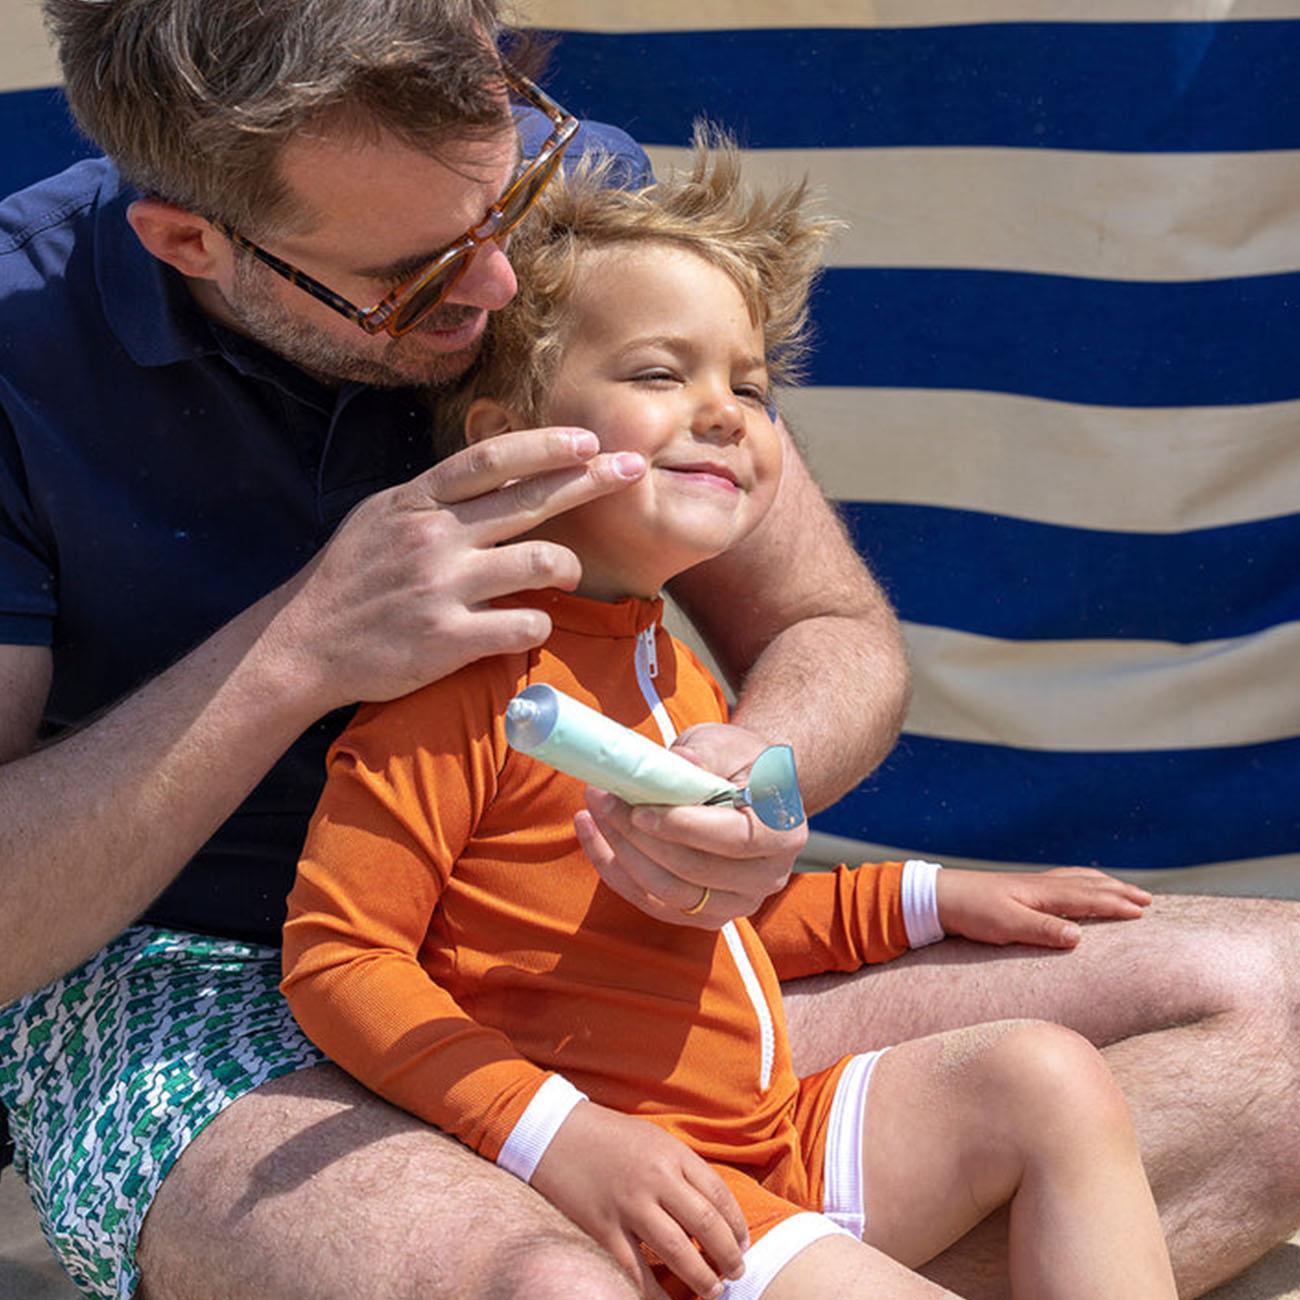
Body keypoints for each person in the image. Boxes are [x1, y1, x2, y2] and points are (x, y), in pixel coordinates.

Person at [0, 2, 1292, 1298]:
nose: (505, 279)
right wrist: (295, 652)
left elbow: (825, 633)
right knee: (545, 1280)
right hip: (192, 981)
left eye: (502, 204)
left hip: (584, 942)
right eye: (424, 278)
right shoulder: (15, 343)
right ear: (188, 239)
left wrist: (750, 779)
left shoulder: (566, 199)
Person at [280, 141, 1178, 1300]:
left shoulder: (679, 672)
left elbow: (704, 917)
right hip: (653, 1181)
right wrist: (560, 1136)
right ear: (505, 437)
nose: (723, 413)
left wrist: (929, 896)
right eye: (661, 375)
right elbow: (339, 956)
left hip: (762, 1137)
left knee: (1045, 1075)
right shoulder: (465, 680)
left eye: (747, 387)